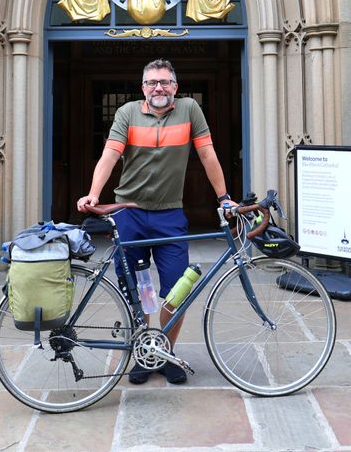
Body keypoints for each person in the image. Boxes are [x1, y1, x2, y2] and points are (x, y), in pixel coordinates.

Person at [77, 59, 236, 384]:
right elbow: (110, 154)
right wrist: (93, 193)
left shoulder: (189, 110)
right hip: (129, 213)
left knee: (178, 291)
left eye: (164, 82)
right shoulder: (128, 113)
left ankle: (164, 351)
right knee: (135, 292)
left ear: (175, 87)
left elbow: (207, 154)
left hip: (170, 214)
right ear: (143, 88)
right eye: (151, 82)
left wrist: (224, 198)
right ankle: (144, 353)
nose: (158, 88)